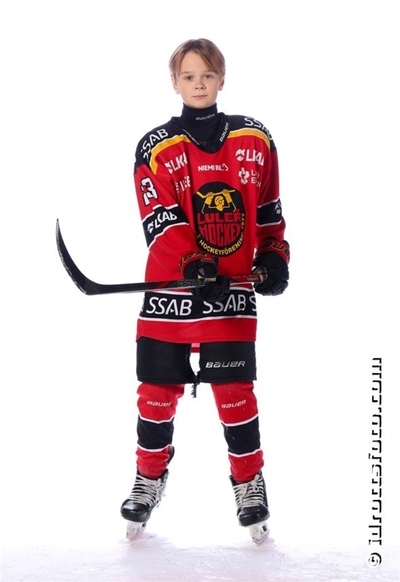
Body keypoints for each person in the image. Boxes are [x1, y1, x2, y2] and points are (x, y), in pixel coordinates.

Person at [120, 38, 290, 541]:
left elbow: (268, 211)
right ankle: (148, 479)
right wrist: (193, 262)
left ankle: (249, 483)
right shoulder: (156, 146)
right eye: (189, 76)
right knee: (155, 394)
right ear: (174, 83)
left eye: (207, 75)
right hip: (171, 291)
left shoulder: (255, 139)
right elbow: (159, 217)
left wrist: (273, 256)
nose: (198, 84)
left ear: (221, 78)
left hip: (230, 292)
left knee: (235, 393)